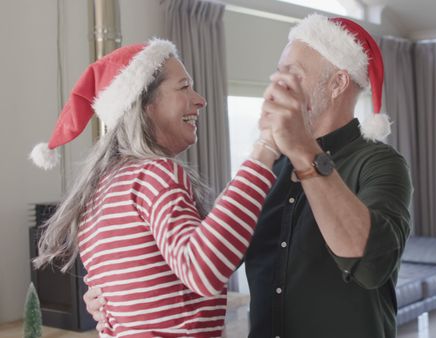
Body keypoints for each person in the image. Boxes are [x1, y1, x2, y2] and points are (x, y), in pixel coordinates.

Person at [87, 14, 413, 338]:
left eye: (292, 74)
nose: (276, 85)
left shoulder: (381, 163)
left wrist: (304, 151)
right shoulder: (264, 170)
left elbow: (370, 265)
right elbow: (206, 259)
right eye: (278, 73)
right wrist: (118, 295)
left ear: (338, 83)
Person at [30, 39, 280, 337]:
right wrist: (264, 151)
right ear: (146, 104)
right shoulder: (155, 174)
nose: (200, 100)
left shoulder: (99, 190)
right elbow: (202, 271)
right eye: (184, 86)